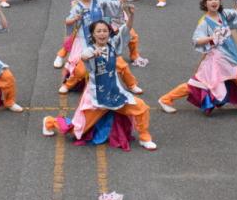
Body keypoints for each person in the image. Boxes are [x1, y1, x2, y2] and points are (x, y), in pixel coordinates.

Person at [43, 16, 156, 150]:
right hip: (96, 98)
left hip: (115, 94)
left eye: (105, 31)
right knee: (76, 131)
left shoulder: (113, 46)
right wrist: (90, 55)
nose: (102, 34)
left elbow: (126, 31)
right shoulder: (90, 50)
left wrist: (131, 16)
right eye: (98, 31)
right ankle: (50, 122)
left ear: (109, 32)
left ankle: (144, 138)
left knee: (141, 108)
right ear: (93, 34)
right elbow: (84, 56)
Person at [158, 0, 237, 116]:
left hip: (231, 58)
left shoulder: (223, 14)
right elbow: (196, 40)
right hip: (216, 61)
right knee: (196, 85)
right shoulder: (204, 22)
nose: (213, 1)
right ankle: (165, 99)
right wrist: (212, 38)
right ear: (205, 3)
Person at [56, 0, 142, 95]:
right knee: (82, 69)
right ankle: (67, 84)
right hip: (85, 41)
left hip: (102, 38)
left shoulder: (99, 2)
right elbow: (68, 22)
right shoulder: (77, 6)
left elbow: (116, 6)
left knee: (120, 64)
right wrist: (74, 19)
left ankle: (132, 85)